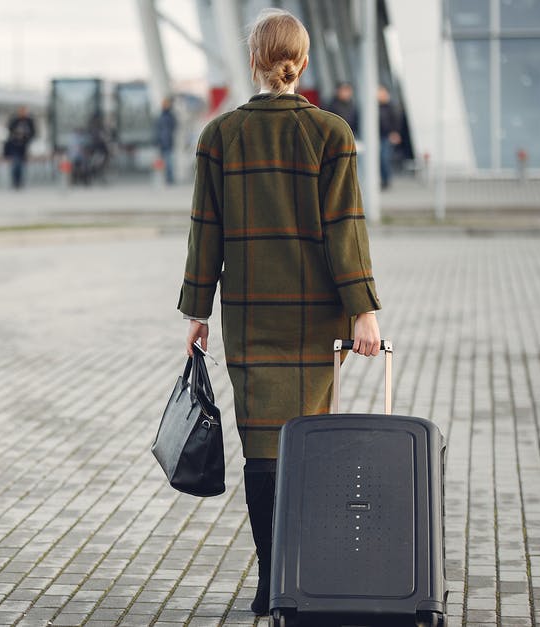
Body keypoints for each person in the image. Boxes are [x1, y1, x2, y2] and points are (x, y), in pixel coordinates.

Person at [178, 8, 382, 616]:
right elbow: (346, 230)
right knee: (307, 443)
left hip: (249, 315)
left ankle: (272, 578)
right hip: (316, 316)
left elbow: (203, 232)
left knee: (261, 448)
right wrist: (364, 311)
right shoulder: (332, 132)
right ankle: (301, 575)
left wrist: (198, 311)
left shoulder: (219, 134)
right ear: (304, 61)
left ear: (254, 62)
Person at [4, 106, 36, 189]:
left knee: (22, 165)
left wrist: (26, 137)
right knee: (16, 164)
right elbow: (9, 129)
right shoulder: (14, 120)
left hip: (24, 147)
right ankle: (15, 182)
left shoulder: (29, 121)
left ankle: (20, 181)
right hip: (14, 146)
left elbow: (33, 132)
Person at [378, 85, 403, 189]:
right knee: (379, 158)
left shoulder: (392, 107)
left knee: (385, 158)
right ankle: (382, 180)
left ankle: (386, 180)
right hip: (378, 136)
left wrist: (395, 133)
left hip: (387, 136)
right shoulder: (374, 107)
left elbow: (397, 121)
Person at [154, 97, 178, 185]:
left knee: (168, 161)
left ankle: (169, 178)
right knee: (166, 161)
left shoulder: (167, 116)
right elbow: (158, 129)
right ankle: (167, 178)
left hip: (167, 141)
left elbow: (172, 127)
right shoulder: (164, 116)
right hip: (164, 141)